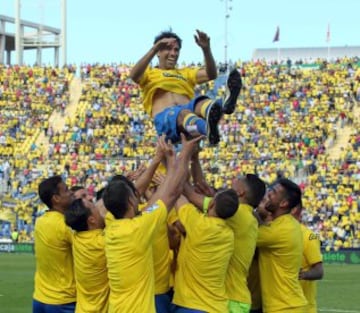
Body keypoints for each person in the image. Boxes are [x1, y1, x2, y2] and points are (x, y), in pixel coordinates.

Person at [102, 134, 201, 313]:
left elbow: (145, 196)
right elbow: (172, 193)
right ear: (132, 202)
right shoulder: (139, 227)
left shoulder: (111, 223)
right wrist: (183, 154)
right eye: (135, 195)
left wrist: (157, 159)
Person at [129, 29, 242, 145]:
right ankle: (207, 128)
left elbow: (211, 74)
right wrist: (153, 49)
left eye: (176, 50)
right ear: (158, 52)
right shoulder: (149, 73)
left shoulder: (185, 73)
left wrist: (206, 49)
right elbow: (133, 75)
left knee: (202, 102)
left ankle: (223, 105)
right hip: (166, 120)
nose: (173, 53)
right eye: (168, 48)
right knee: (183, 113)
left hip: (190, 117)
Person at [171, 189, 239, 313]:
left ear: (212, 203)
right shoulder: (229, 235)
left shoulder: (198, 224)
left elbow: (178, 197)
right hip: (218, 307)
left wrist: (165, 181)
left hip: (192, 306)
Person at [256, 178, 308, 313]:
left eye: (273, 192)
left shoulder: (281, 230)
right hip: (287, 305)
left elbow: (247, 235)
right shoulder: (285, 224)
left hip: (285, 307)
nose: (267, 194)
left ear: (284, 203)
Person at [33, 175, 76, 313]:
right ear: (56, 198)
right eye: (66, 190)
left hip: (40, 298)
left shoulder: (40, 222)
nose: (71, 193)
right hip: (63, 301)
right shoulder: (65, 226)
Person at [64, 198, 109, 313]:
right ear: (92, 220)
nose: (98, 208)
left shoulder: (76, 237)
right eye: (94, 207)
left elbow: (101, 205)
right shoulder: (102, 243)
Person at [292, 203, 324, 313]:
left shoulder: (310, 236)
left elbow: (319, 271)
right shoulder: (275, 232)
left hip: (304, 308)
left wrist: (303, 274)